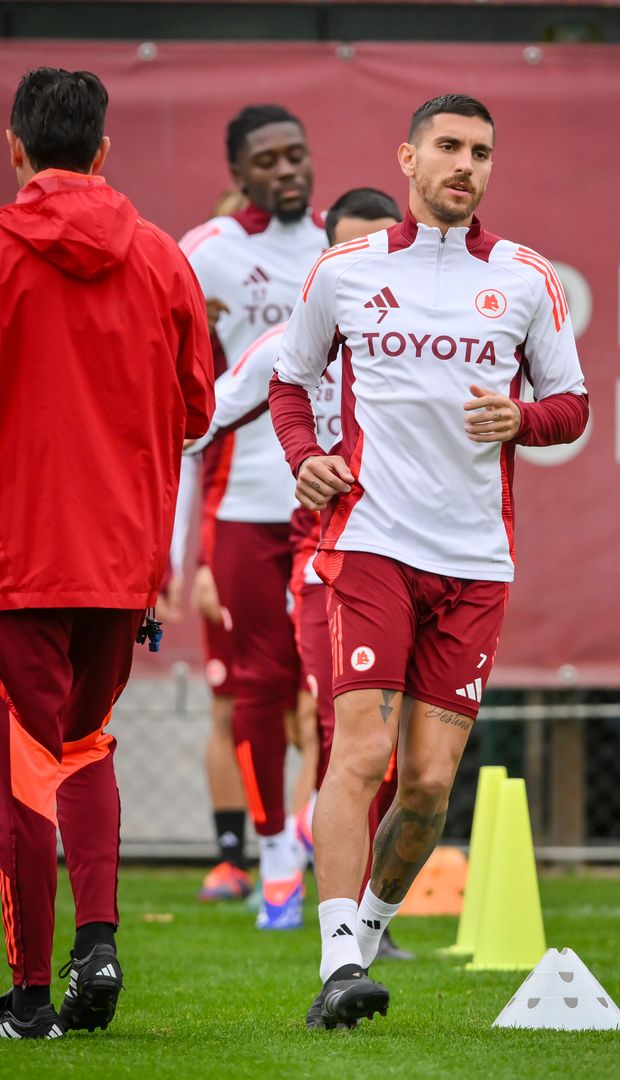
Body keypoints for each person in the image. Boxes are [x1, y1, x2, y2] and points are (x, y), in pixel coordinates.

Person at [269, 93, 589, 1029]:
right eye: (448, 147)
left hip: (476, 563)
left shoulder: (526, 277)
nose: (465, 165)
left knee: (427, 788)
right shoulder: (346, 270)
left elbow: (571, 404)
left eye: (480, 152)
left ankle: (364, 942)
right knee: (361, 752)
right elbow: (289, 382)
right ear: (407, 158)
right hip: (371, 542)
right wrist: (305, 457)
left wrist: (521, 418)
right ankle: (336, 962)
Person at [0, 68, 214, 1039]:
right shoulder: (164, 258)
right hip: (121, 562)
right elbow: (197, 410)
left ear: (16, 150)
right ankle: (97, 942)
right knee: (82, 745)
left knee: (23, 767)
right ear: (102, 151)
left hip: (17, 562)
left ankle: (30, 998)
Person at [172, 105, 327, 923]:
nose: (287, 170)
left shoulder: (344, 245)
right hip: (243, 505)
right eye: (268, 161)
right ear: (238, 173)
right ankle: (268, 856)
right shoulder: (208, 252)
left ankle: (320, 843)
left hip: (334, 502)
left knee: (336, 693)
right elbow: (181, 400)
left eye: (296, 155)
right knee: (256, 690)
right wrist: (185, 553)